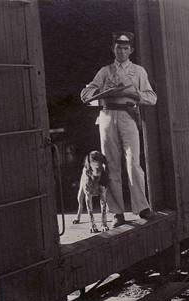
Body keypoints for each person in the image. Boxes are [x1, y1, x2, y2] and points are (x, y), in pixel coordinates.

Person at [80, 31, 157, 228]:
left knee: (133, 163)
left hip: (128, 115)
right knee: (111, 165)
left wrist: (135, 93)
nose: (121, 51)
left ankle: (142, 207)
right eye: (118, 47)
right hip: (106, 116)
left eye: (125, 48)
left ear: (131, 50)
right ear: (112, 49)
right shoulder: (105, 71)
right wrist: (99, 91)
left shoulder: (139, 71)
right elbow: (85, 94)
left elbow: (152, 97)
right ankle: (117, 213)